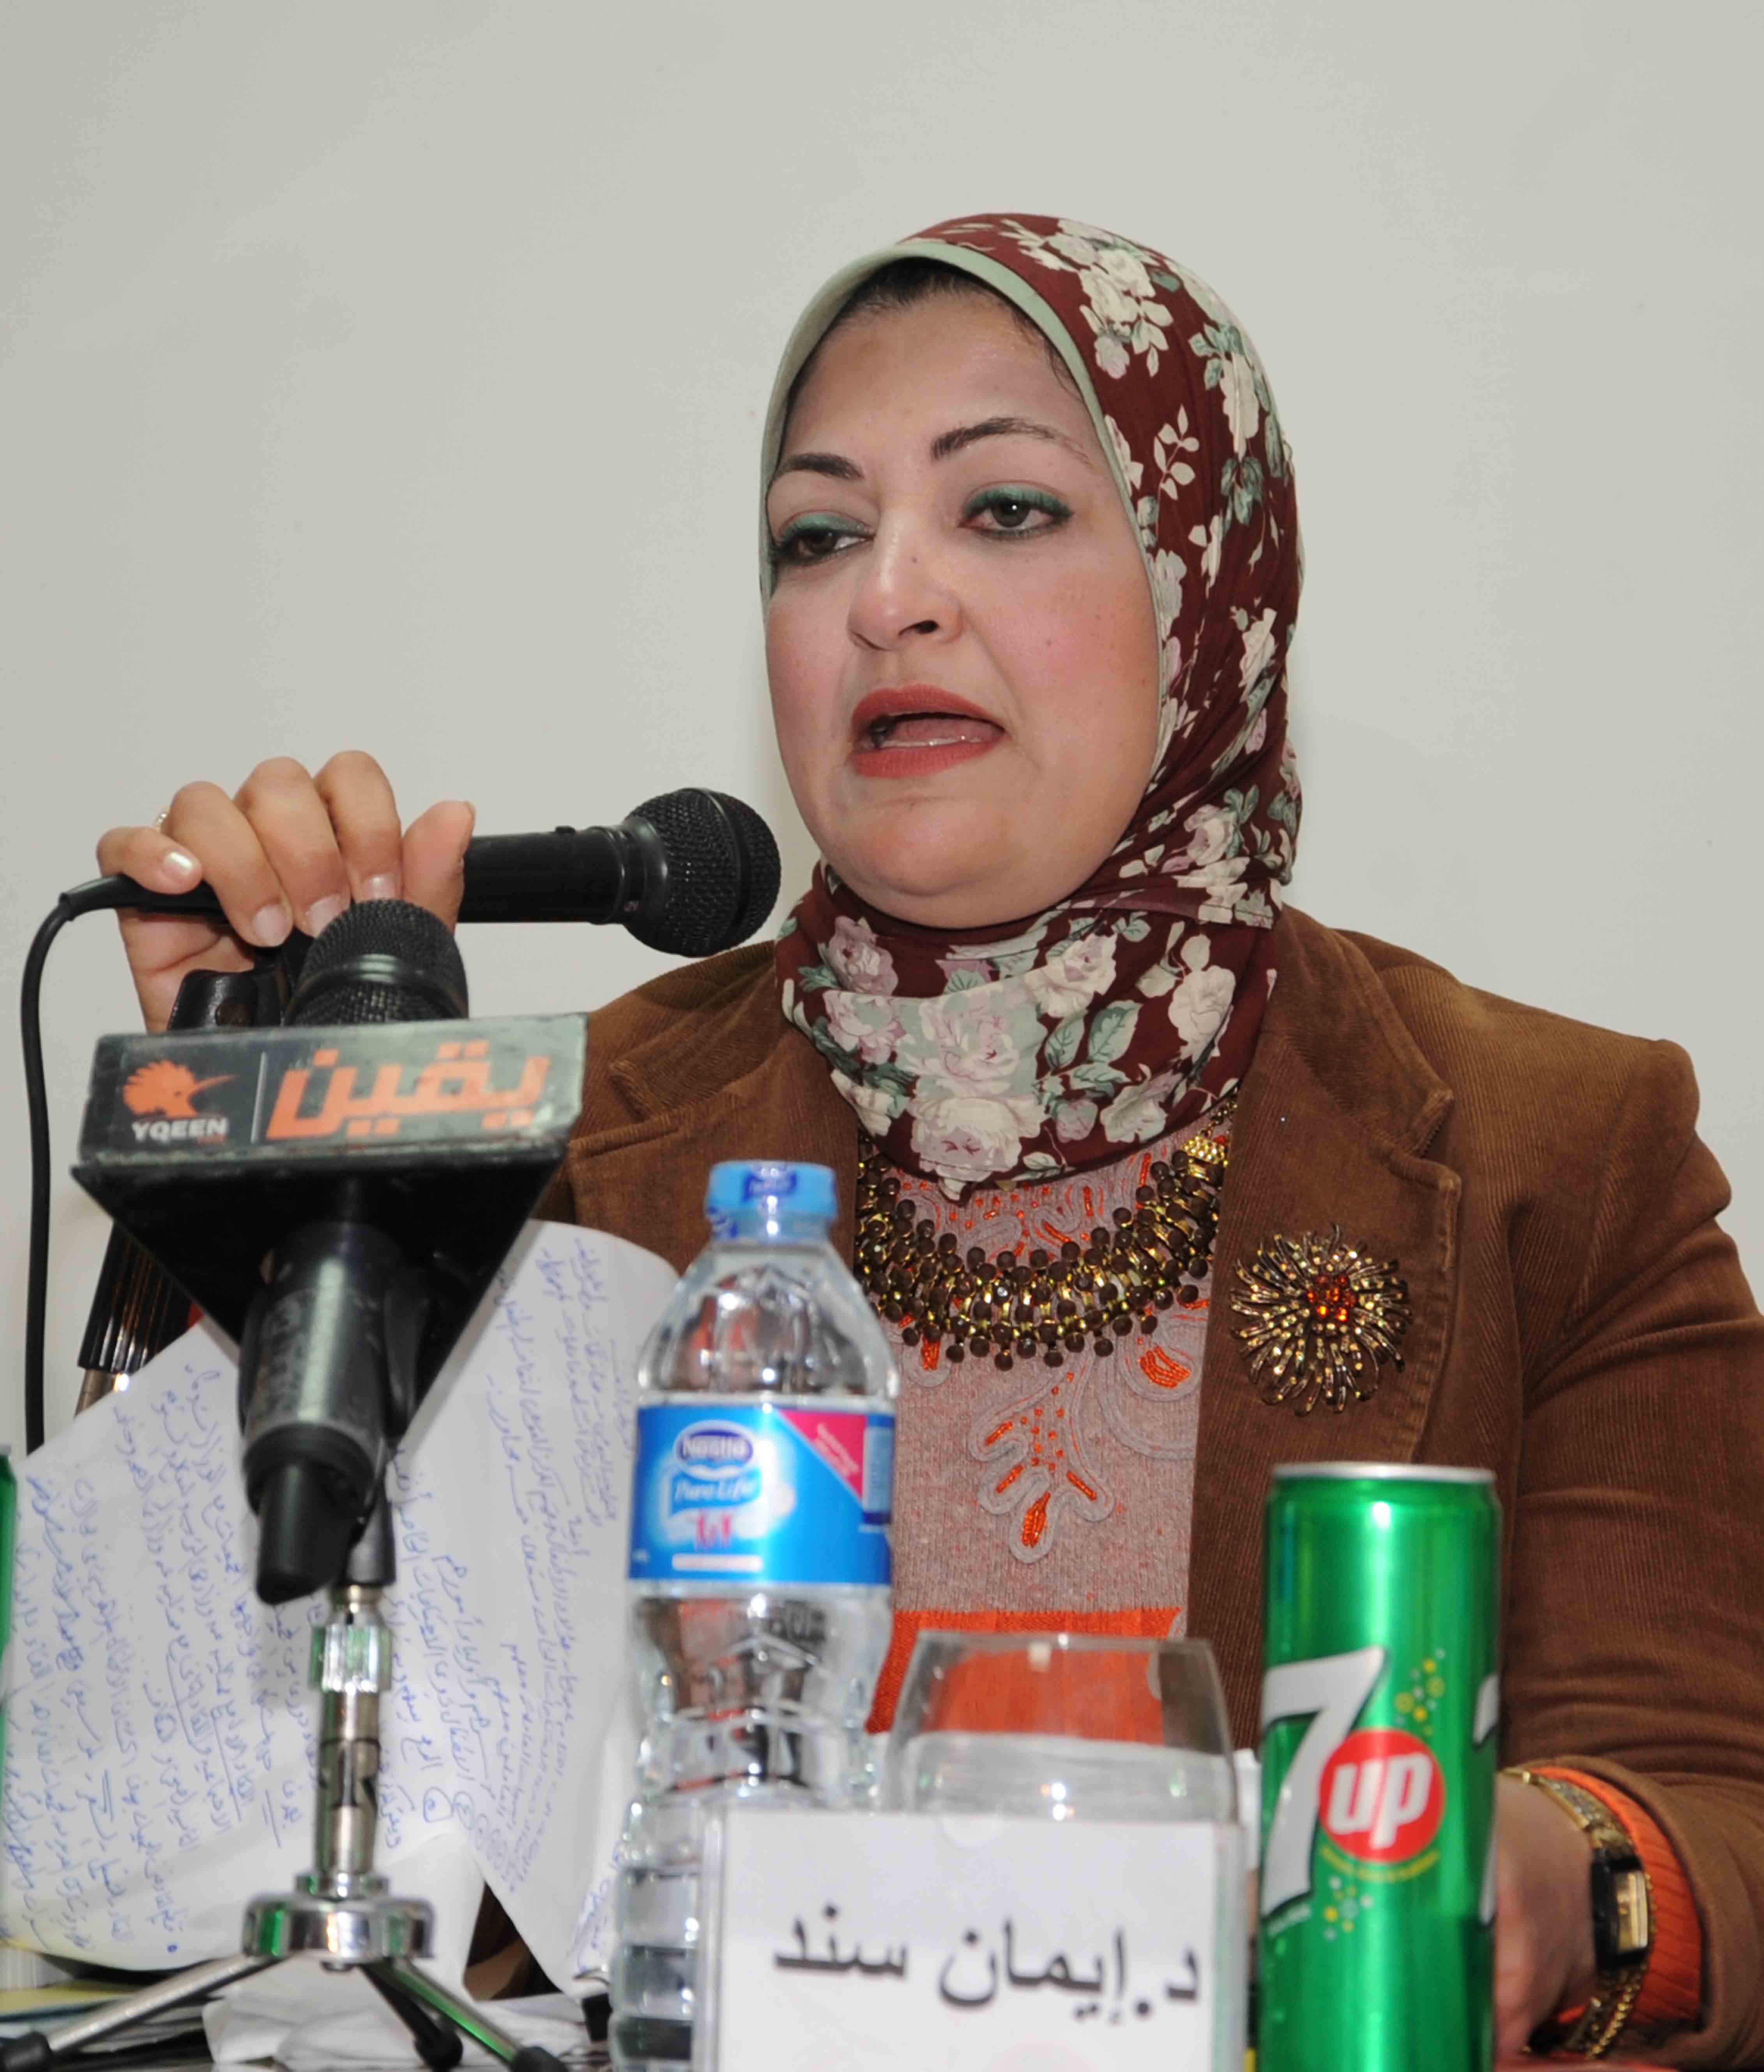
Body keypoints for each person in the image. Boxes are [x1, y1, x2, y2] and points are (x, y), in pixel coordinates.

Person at [96, 214, 1764, 2064]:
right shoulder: (563, 1147)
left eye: (1007, 509)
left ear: (1210, 586)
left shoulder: (1553, 1154)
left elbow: (1717, 1814)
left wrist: (1566, 1874)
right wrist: (259, 1163)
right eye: (817, 536)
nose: (887, 594)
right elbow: (191, 1808)